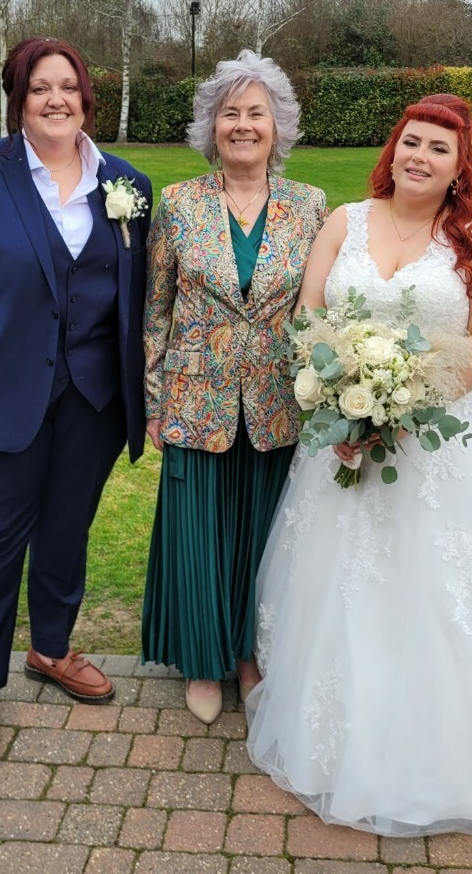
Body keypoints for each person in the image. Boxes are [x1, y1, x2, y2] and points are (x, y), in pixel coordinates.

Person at [245, 93, 472, 848]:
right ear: (393, 150)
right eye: (411, 142)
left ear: (459, 168)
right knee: (349, 591)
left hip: (455, 437)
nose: (420, 156)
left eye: (438, 149)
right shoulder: (345, 221)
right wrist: (342, 402)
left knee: (457, 592)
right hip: (347, 436)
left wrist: (407, 406)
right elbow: (309, 314)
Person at [0, 37, 152, 773]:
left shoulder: (127, 183)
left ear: (87, 97)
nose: (56, 99)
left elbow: (136, 296)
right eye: (40, 87)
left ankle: (51, 648)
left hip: (93, 399)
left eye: (69, 86)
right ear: (18, 98)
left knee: (67, 530)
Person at [142, 49, 327, 724]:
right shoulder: (178, 204)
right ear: (211, 126)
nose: (243, 125)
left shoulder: (310, 206)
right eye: (229, 113)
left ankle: (250, 655)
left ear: (278, 127)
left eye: (257, 113)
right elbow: (155, 310)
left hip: (279, 402)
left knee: (263, 534)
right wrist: (153, 403)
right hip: (196, 400)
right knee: (198, 534)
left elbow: (321, 309)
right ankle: (202, 661)